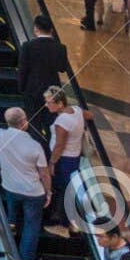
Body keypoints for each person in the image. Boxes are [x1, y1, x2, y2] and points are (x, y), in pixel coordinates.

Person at [0, 109, 50, 260]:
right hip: (33, 193)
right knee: (31, 227)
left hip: (10, 188)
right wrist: (49, 192)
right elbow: (44, 174)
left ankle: (10, 233)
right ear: (22, 123)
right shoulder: (35, 145)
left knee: (11, 216)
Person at [15, 14, 70, 138]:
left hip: (32, 90)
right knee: (51, 122)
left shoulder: (27, 46)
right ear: (51, 30)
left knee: (34, 124)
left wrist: (22, 88)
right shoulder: (61, 48)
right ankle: (51, 148)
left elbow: (22, 69)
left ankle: (38, 149)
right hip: (52, 90)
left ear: (36, 29)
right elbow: (62, 68)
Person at [44, 86, 84, 223]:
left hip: (63, 160)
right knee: (67, 187)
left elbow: (59, 145)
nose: (46, 105)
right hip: (75, 157)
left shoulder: (62, 121)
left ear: (60, 103)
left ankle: (63, 222)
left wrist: (52, 163)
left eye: (49, 102)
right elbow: (89, 115)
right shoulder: (77, 110)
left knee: (61, 189)